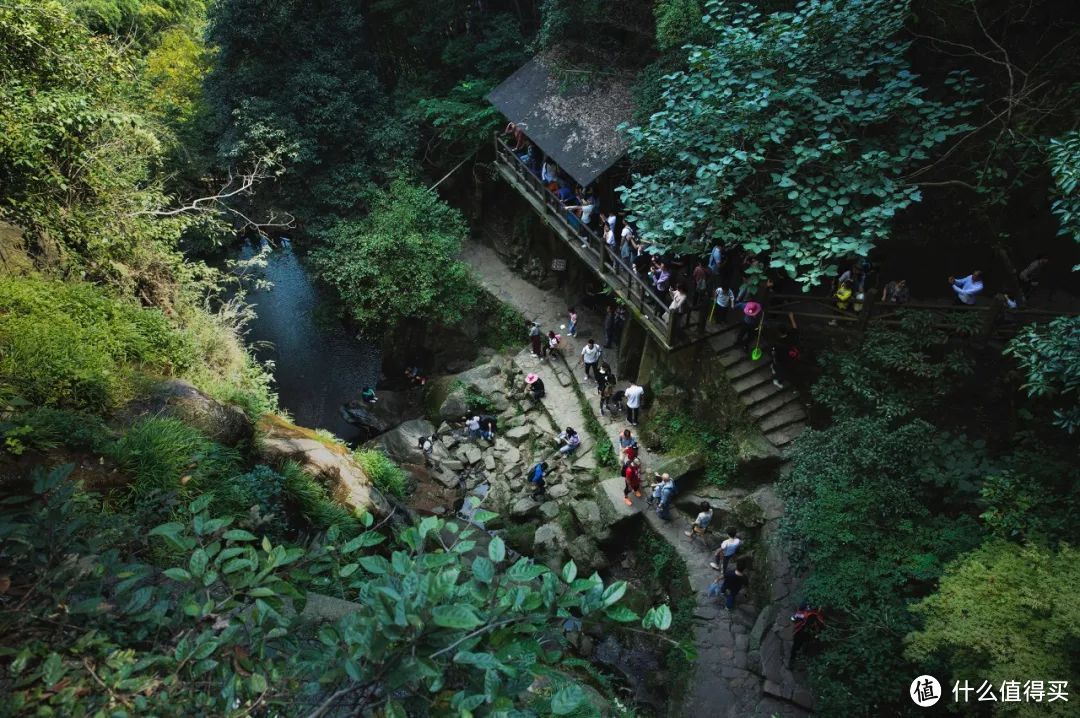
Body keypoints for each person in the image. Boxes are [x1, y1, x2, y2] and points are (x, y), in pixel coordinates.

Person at [770, 314, 800, 389]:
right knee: (783, 370)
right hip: (790, 356)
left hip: (783, 358)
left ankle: (776, 377)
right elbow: (795, 328)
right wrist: (791, 318)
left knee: (782, 369)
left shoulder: (778, 343)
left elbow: (774, 353)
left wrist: (774, 358)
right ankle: (776, 377)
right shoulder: (791, 335)